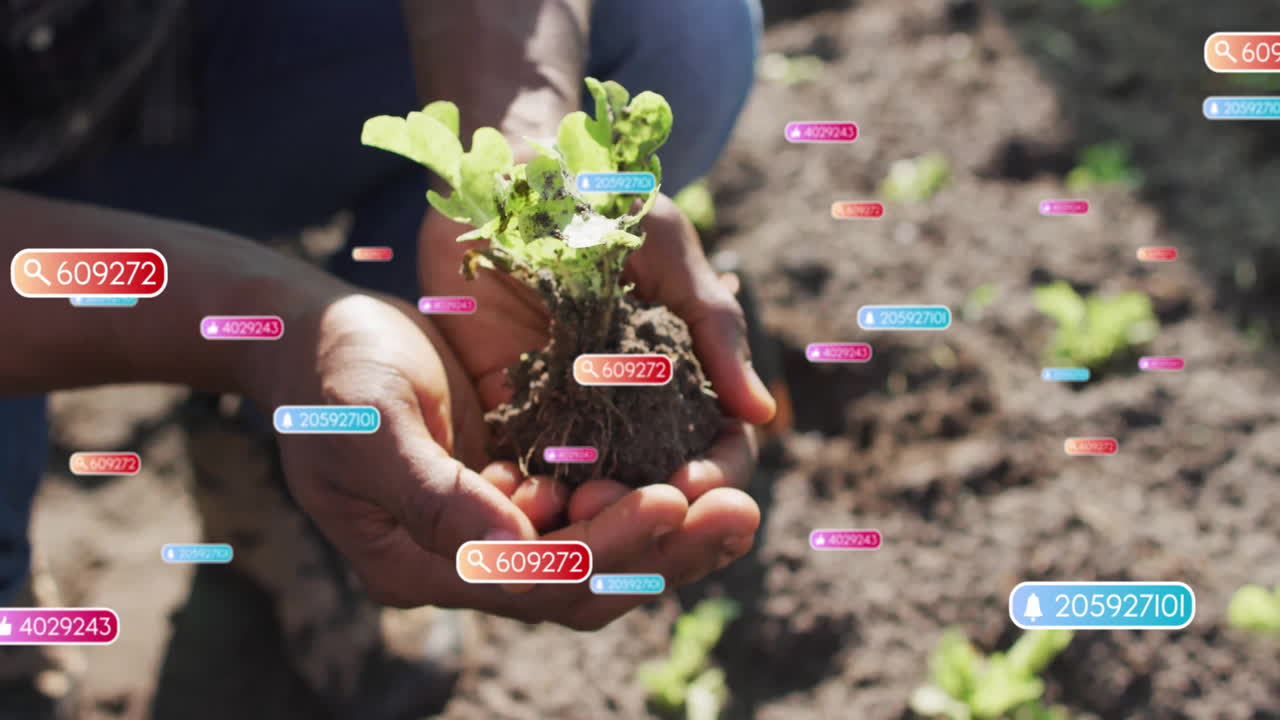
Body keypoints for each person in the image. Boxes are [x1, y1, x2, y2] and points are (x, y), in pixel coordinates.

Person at [0, 1, 772, 718]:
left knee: (673, 29)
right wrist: (280, 330)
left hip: (164, 54)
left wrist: (520, 149)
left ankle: (322, 450)